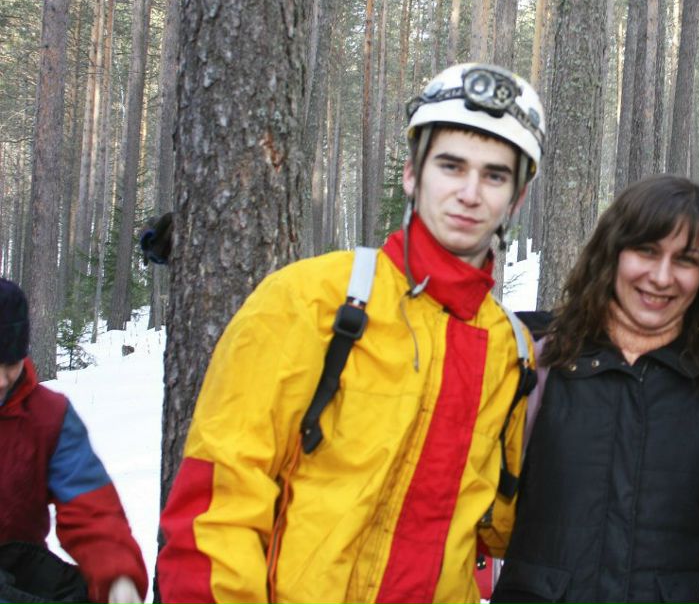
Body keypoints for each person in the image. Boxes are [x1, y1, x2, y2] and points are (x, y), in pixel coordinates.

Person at [157, 63, 545, 604]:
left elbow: (498, 524)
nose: (470, 193)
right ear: (413, 173)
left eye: (495, 175)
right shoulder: (308, 299)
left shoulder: (512, 349)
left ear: (516, 199)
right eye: (451, 166)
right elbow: (217, 503)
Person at [490, 175, 699, 604]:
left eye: (686, 260)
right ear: (613, 251)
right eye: (647, 250)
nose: (661, 277)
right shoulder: (534, 362)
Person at [0, 278, 147, 604]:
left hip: (18, 575)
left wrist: (116, 576)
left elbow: (90, 510)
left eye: (9, 364)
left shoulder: (49, 417)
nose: (1, 380)